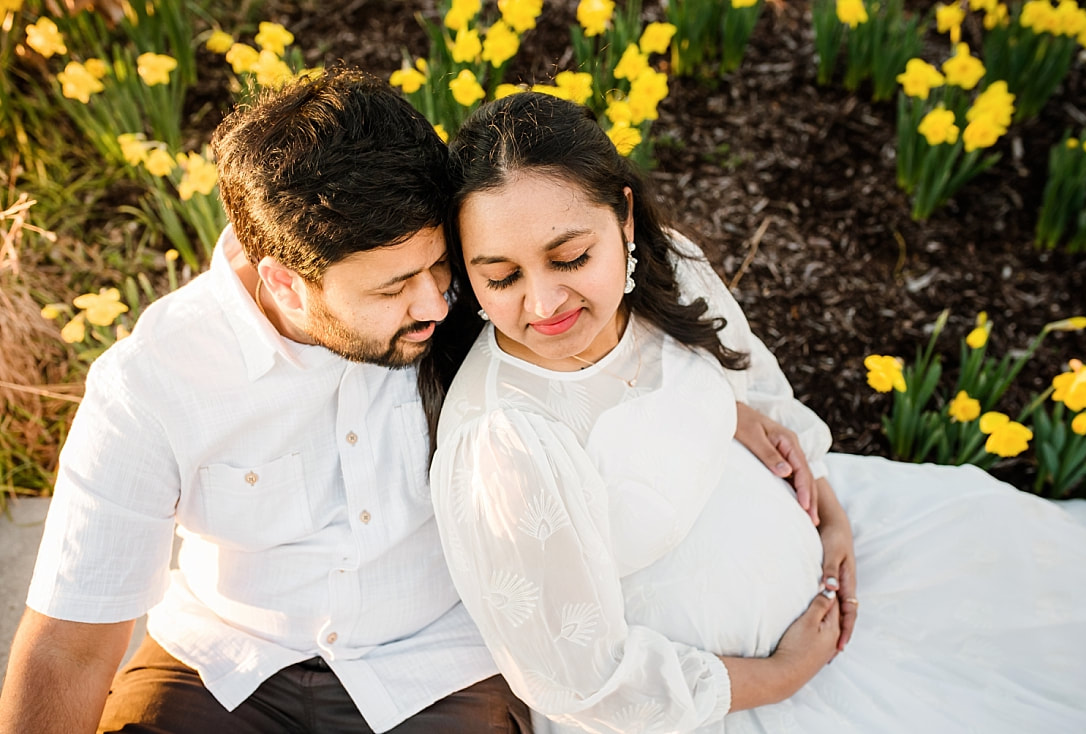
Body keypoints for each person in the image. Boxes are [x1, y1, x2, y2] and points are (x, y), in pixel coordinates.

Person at [0, 69, 808, 734]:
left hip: (439, 669)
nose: (435, 303)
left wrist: (720, 409)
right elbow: (68, 648)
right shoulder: (153, 382)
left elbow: (594, 336)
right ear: (283, 280)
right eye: (394, 290)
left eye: (441, 270)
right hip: (223, 665)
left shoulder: (479, 292)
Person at [424, 91, 1086, 733]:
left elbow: (755, 386)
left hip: (830, 561)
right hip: (713, 703)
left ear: (625, 220)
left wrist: (831, 514)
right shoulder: (504, 445)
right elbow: (581, 679)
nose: (543, 304)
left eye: (571, 256)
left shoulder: (670, 269)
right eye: (501, 277)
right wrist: (779, 677)